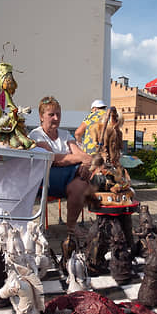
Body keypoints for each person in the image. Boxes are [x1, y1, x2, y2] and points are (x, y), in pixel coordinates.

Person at [28, 96, 95, 233]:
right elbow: (53, 159)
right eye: (51, 114)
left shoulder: (65, 134)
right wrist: (82, 160)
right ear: (41, 116)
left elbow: (79, 153)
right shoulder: (36, 135)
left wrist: (84, 163)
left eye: (58, 114)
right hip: (45, 179)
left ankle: (71, 226)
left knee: (81, 185)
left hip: (67, 178)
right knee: (84, 173)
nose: (56, 118)